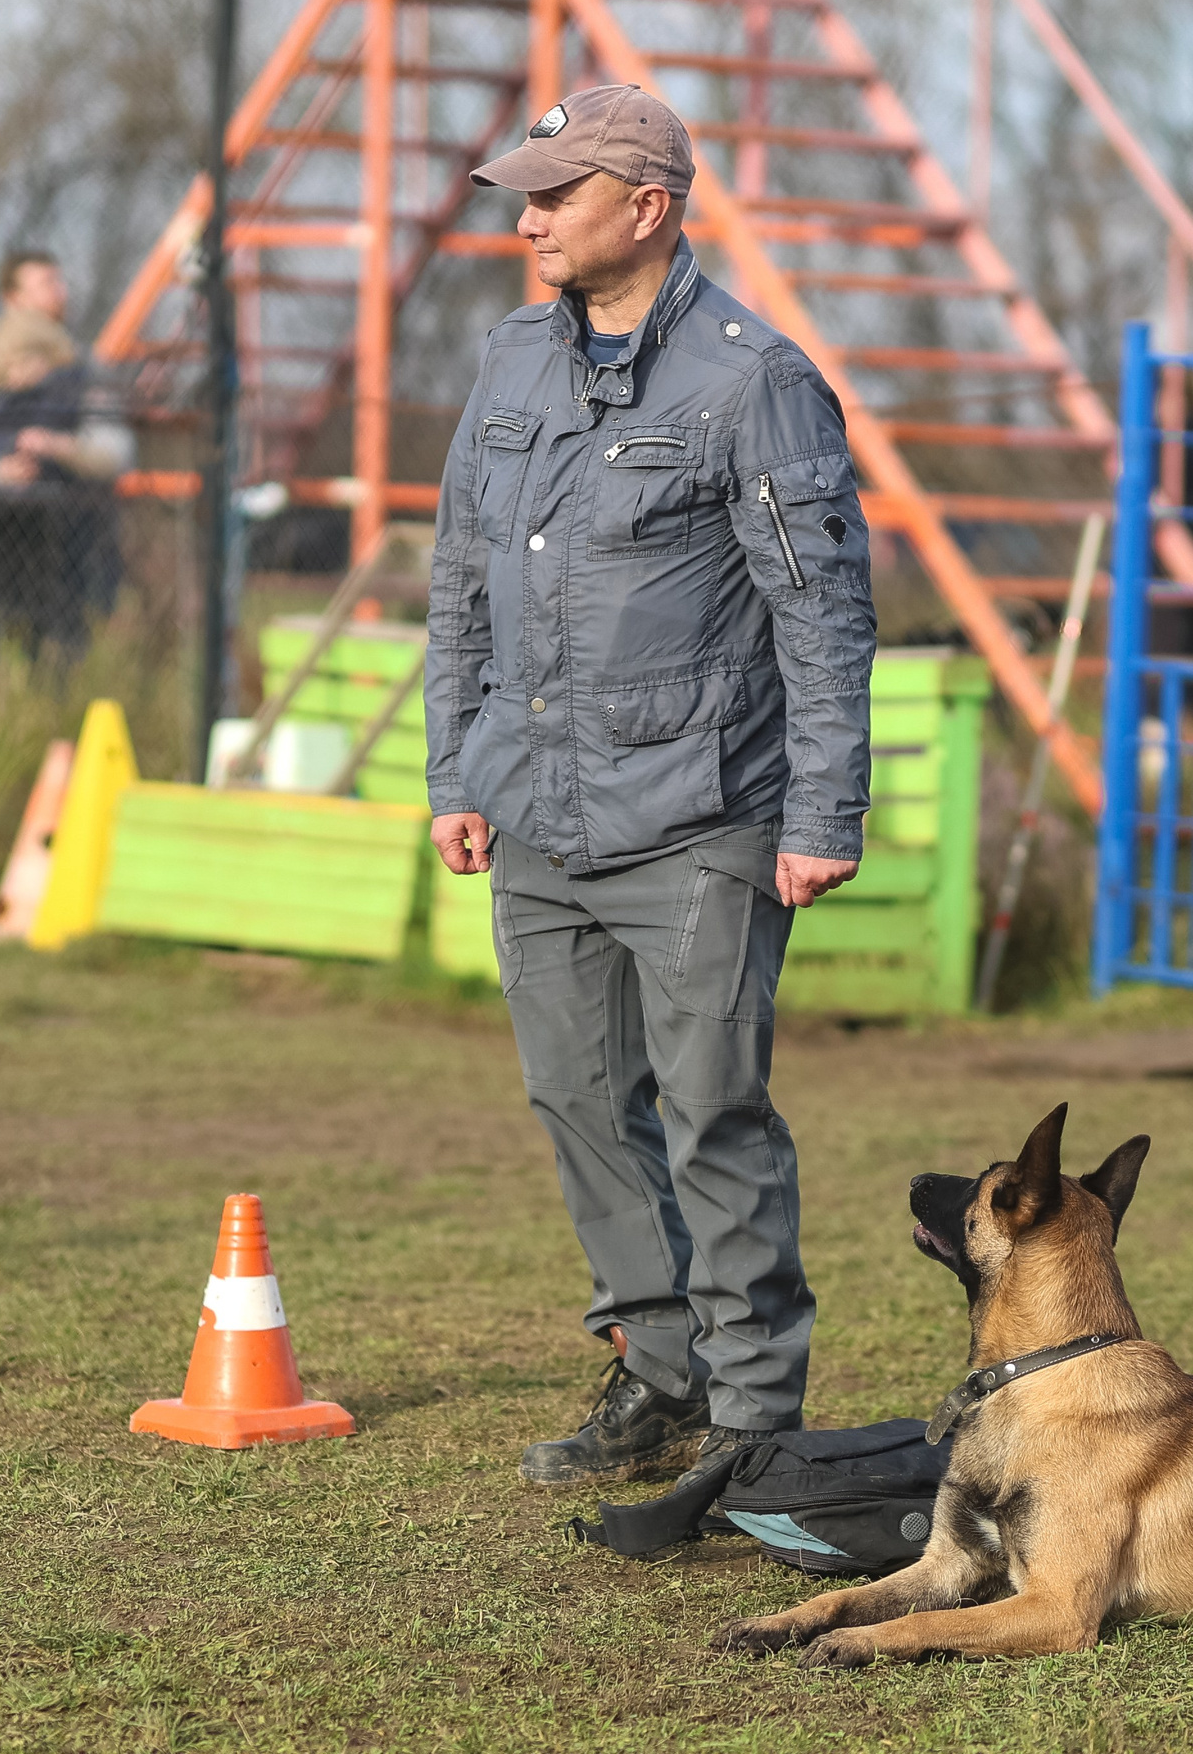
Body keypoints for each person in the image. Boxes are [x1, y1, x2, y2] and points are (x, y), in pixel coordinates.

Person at [424, 85, 876, 1487]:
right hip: (538, 814)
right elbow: (459, 580)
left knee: (712, 1111)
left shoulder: (757, 381)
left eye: (559, 193)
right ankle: (657, 1369)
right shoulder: (508, 361)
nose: (533, 216)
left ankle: (751, 1417)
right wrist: (458, 767)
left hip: (702, 822)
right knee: (577, 1100)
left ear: (648, 206)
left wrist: (821, 813)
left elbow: (821, 615)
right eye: (527, 193)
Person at [0, 250, 131, 668]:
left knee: (69, 657)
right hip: (5, 554)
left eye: (60, 282)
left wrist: (60, 448)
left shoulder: (87, 372)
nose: (61, 294)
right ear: (11, 300)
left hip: (78, 549)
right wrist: (1, 474)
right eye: (45, 285)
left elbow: (117, 454)